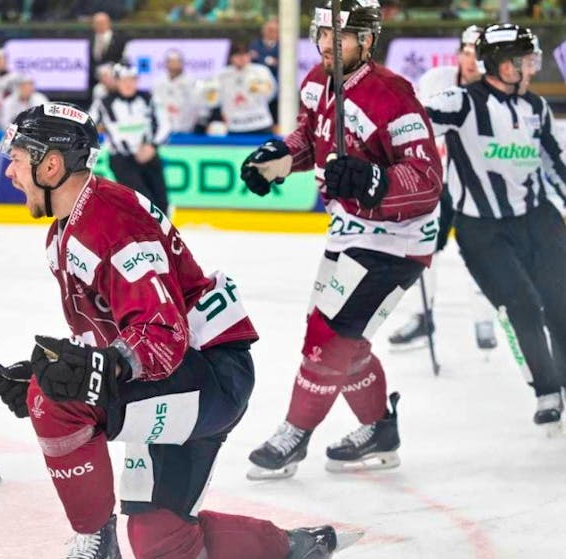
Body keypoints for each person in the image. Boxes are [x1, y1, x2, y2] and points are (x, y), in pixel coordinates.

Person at [0, 101, 358, 559]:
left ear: (50, 164)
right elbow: (109, 334)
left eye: (18, 160)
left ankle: (96, 542)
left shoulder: (112, 223)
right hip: (174, 374)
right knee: (160, 542)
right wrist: (51, 370)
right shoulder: (67, 231)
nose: (10, 173)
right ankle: (295, 546)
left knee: (55, 401)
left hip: (208, 374)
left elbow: (161, 337)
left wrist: (79, 379)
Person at [240, 0, 443, 479]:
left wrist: (376, 182)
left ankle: (293, 434)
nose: (328, 44)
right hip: (349, 232)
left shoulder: (393, 94)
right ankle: (379, 429)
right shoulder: (316, 82)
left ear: (368, 41)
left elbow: (426, 177)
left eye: (342, 36)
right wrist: (277, 159)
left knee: (327, 340)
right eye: (323, 34)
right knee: (342, 340)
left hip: (396, 240)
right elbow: (311, 138)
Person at [424, 24, 566, 433]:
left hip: (539, 221)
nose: (530, 68)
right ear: (500, 65)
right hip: (483, 231)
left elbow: (554, 162)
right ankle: (547, 390)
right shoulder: (461, 102)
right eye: (523, 60)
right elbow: (408, 127)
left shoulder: (535, 107)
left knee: (559, 304)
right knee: (522, 306)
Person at [387, 25, 496, 351]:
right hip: (438, 183)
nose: (471, 60)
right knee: (423, 249)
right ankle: (422, 317)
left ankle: (485, 317)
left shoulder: (496, 93)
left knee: (482, 254)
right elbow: (413, 121)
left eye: (479, 54)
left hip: (478, 187)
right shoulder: (437, 80)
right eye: (466, 52)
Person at [92, 64, 171, 213]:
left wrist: (152, 146)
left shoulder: (148, 99)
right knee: (144, 203)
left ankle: (162, 236)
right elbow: (87, 123)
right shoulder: (104, 103)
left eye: (132, 79)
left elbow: (165, 124)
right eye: (124, 80)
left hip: (149, 155)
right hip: (121, 159)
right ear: (116, 81)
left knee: (162, 203)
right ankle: (145, 235)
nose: (128, 84)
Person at [208, 41, 277, 135]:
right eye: (238, 55)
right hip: (235, 126)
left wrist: (259, 88)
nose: (242, 58)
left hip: (260, 123)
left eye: (245, 54)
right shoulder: (221, 75)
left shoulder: (261, 71)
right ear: (231, 57)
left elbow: (271, 94)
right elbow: (213, 100)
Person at [151, 49, 202, 134]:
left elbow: (198, 107)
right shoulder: (158, 83)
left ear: (182, 64)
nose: (173, 65)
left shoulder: (192, 82)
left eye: (176, 62)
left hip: (186, 129)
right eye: (171, 62)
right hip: (162, 129)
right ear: (166, 64)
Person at [249, 17, 280, 122]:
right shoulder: (255, 44)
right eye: (268, 30)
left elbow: (281, 64)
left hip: (277, 89)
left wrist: (261, 58)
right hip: (257, 88)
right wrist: (270, 60)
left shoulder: (283, 46)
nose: (271, 33)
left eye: (274, 30)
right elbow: (252, 59)